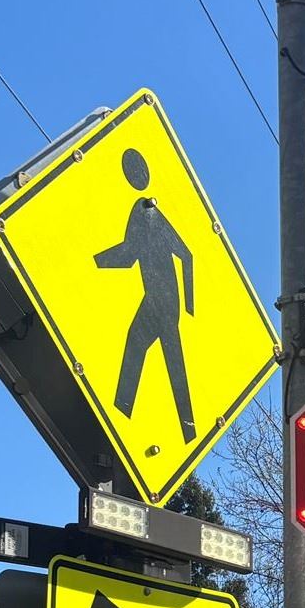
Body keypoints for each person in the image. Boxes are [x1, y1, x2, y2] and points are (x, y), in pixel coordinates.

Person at [95, 148, 197, 439]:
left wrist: (94, 261)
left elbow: (183, 255)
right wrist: (185, 304)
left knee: (164, 358)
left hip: (161, 300)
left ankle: (127, 412)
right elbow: (134, 255)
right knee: (153, 353)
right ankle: (128, 415)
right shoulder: (147, 211)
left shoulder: (148, 213)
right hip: (162, 300)